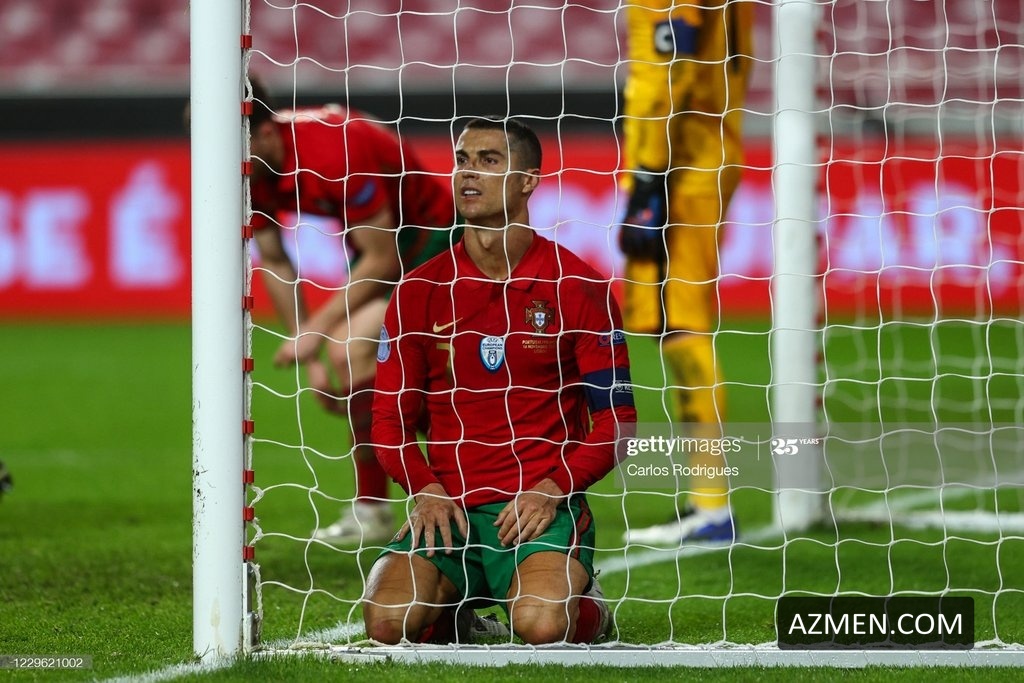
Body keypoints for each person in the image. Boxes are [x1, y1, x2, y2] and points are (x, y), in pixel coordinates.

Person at [363, 117, 637, 645]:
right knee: (386, 623)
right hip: (448, 510)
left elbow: (617, 422)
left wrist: (553, 490)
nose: (469, 173)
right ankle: (458, 616)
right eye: (462, 160)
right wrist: (424, 490)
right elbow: (389, 421)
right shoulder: (419, 289)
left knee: (541, 626)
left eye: (489, 161)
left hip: (536, 510)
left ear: (528, 181)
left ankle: (590, 608)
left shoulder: (578, 286)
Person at [247, 77, 457, 544]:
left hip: (435, 237)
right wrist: (308, 351)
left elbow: (383, 257)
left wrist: (316, 332)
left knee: (366, 350)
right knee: (349, 352)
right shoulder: (249, 170)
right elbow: (275, 260)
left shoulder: (333, 150)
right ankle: (374, 509)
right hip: (373, 244)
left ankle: (457, 485)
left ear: (265, 132)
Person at [617, 0, 753, 544]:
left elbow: (666, 71)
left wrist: (649, 175)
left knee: (683, 328)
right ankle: (706, 501)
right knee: (679, 326)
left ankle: (713, 505)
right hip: (711, 145)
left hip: (680, 163)